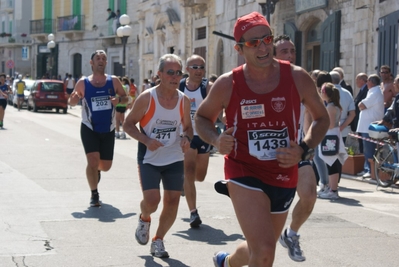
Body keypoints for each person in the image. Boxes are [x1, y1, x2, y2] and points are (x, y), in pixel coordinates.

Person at [194, 12, 329, 267]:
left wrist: (303, 148)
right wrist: (216, 139)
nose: (263, 47)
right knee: (266, 250)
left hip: (283, 172)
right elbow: (201, 118)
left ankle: (227, 262)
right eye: (254, 43)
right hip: (243, 169)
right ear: (239, 49)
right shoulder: (227, 83)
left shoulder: (297, 77)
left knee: (260, 247)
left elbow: (322, 118)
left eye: (267, 39)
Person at [123, 54, 193, 258]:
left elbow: (188, 128)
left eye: (178, 73)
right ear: (159, 74)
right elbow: (128, 124)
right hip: (149, 157)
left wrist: (187, 138)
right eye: (170, 72)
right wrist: (146, 140)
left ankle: (158, 240)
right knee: (152, 201)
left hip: (174, 156)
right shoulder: (147, 98)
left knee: (172, 201)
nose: (174, 76)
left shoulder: (184, 100)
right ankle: (145, 218)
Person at [274, 34, 317, 262]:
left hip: (296, 150)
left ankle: (291, 234)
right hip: (266, 156)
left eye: (292, 51)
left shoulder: (302, 79)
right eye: (284, 51)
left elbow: (314, 115)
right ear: (273, 56)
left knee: (309, 195)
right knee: (265, 227)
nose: (290, 55)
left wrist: (306, 145)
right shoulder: (261, 80)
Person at [68, 50, 128, 207]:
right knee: (92, 161)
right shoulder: (83, 82)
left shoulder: (113, 81)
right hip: (89, 128)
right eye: (98, 58)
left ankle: (97, 171)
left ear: (106, 63)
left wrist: (119, 100)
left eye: (104, 58)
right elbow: (72, 102)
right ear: (91, 62)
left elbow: (126, 98)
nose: (101, 60)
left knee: (106, 166)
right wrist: (73, 99)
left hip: (108, 129)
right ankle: (94, 193)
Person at [179, 54, 213, 228]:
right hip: (186, 134)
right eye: (195, 67)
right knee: (190, 171)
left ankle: (185, 183)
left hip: (204, 135)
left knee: (200, 176)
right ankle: (193, 213)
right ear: (187, 69)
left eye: (201, 67)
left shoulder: (208, 87)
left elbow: (219, 106)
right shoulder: (179, 87)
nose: (199, 71)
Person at [318, 83, 348, 199]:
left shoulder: (331, 107)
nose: (320, 93)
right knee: (332, 162)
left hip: (330, 136)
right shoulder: (334, 105)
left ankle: (333, 190)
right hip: (334, 135)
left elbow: (330, 124)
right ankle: (332, 189)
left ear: (325, 93)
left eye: (322, 91)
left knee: (332, 162)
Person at [355, 74, 384, 181]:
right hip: (367, 125)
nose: (366, 83)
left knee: (369, 149)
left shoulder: (374, 92)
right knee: (367, 148)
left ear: (371, 82)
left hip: (369, 126)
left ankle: (369, 170)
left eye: (368, 81)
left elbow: (362, 105)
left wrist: (360, 104)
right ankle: (367, 169)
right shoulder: (373, 91)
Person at [351, 73, 369, 157]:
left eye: (357, 80)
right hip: (359, 119)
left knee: (364, 144)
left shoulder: (367, 90)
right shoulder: (362, 89)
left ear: (362, 80)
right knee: (360, 142)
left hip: (363, 120)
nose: (356, 82)